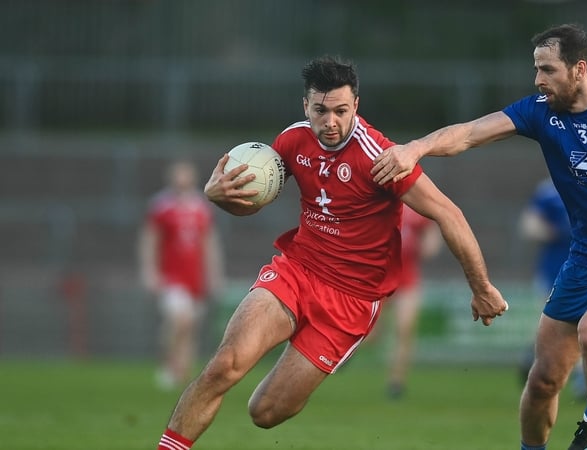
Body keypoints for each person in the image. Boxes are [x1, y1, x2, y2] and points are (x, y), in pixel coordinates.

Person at [371, 24, 587, 450]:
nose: (538, 80)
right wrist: (415, 148)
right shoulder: (541, 112)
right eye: (536, 69)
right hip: (585, 263)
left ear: (580, 69)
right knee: (542, 382)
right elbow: (467, 133)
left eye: (547, 69)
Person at [155, 55, 508, 450]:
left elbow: (449, 214)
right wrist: (217, 196)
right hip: (297, 270)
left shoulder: (380, 157)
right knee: (225, 366)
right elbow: (254, 198)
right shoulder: (292, 140)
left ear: (356, 105)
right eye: (320, 111)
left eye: (341, 111)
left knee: (266, 412)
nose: (331, 122)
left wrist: (481, 287)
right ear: (305, 105)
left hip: (351, 301)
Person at [139, 160, 224, 390]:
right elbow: (150, 240)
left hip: (194, 275)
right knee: (180, 320)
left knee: (191, 327)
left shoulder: (201, 206)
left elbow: (209, 243)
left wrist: (213, 275)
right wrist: (149, 271)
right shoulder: (161, 206)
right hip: (171, 275)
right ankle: (169, 365)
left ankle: (182, 372)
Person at [517, 178, 584, 398]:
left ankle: (583, 380)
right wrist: (553, 231)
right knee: (548, 325)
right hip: (553, 271)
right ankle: (534, 360)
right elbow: (528, 225)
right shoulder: (548, 190)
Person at [384, 204, 442, 399]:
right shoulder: (382, 202)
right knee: (369, 334)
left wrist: (429, 244)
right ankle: (342, 357)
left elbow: (432, 231)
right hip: (378, 277)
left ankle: (396, 382)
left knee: (404, 330)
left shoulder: (417, 207)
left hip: (408, 279)